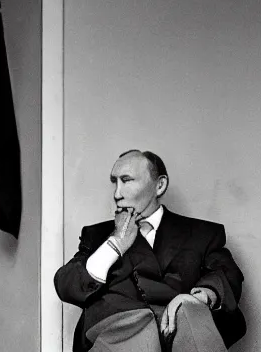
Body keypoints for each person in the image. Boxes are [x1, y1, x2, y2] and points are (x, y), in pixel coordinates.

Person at [54, 149, 246, 352]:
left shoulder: (202, 233)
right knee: (136, 327)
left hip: (183, 333)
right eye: (115, 182)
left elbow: (226, 273)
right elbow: (68, 285)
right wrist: (114, 245)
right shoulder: (97, 235)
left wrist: (198, 298)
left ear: (159, 185)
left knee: (190, 311)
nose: (117, 194)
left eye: (126, 180)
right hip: (121, 336)